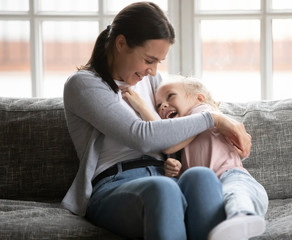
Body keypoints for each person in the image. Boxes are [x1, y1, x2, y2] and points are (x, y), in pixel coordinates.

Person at [61, 2, 252, 240]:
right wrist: (212, 119)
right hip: (113, 185)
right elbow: (141, 135)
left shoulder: (150, 81)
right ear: (121, 44)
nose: (153, 71)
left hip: (166, 177)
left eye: (158, 63)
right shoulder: (84, 84)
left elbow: (174, 128)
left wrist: (176, 155)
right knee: (164, 190)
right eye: (149, 60)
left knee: (201, 176)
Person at [124, 76, 269, 240]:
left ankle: (242, 217)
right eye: (158, 106)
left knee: (235, 192)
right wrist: (173, 167)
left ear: (199, 98)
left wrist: (143, 108)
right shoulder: (181, 132)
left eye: (170, 96)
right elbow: (181, 164)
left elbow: (167, 142)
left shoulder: (205, 112)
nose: (163, 105)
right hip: (206, 190)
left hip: (230, 174)